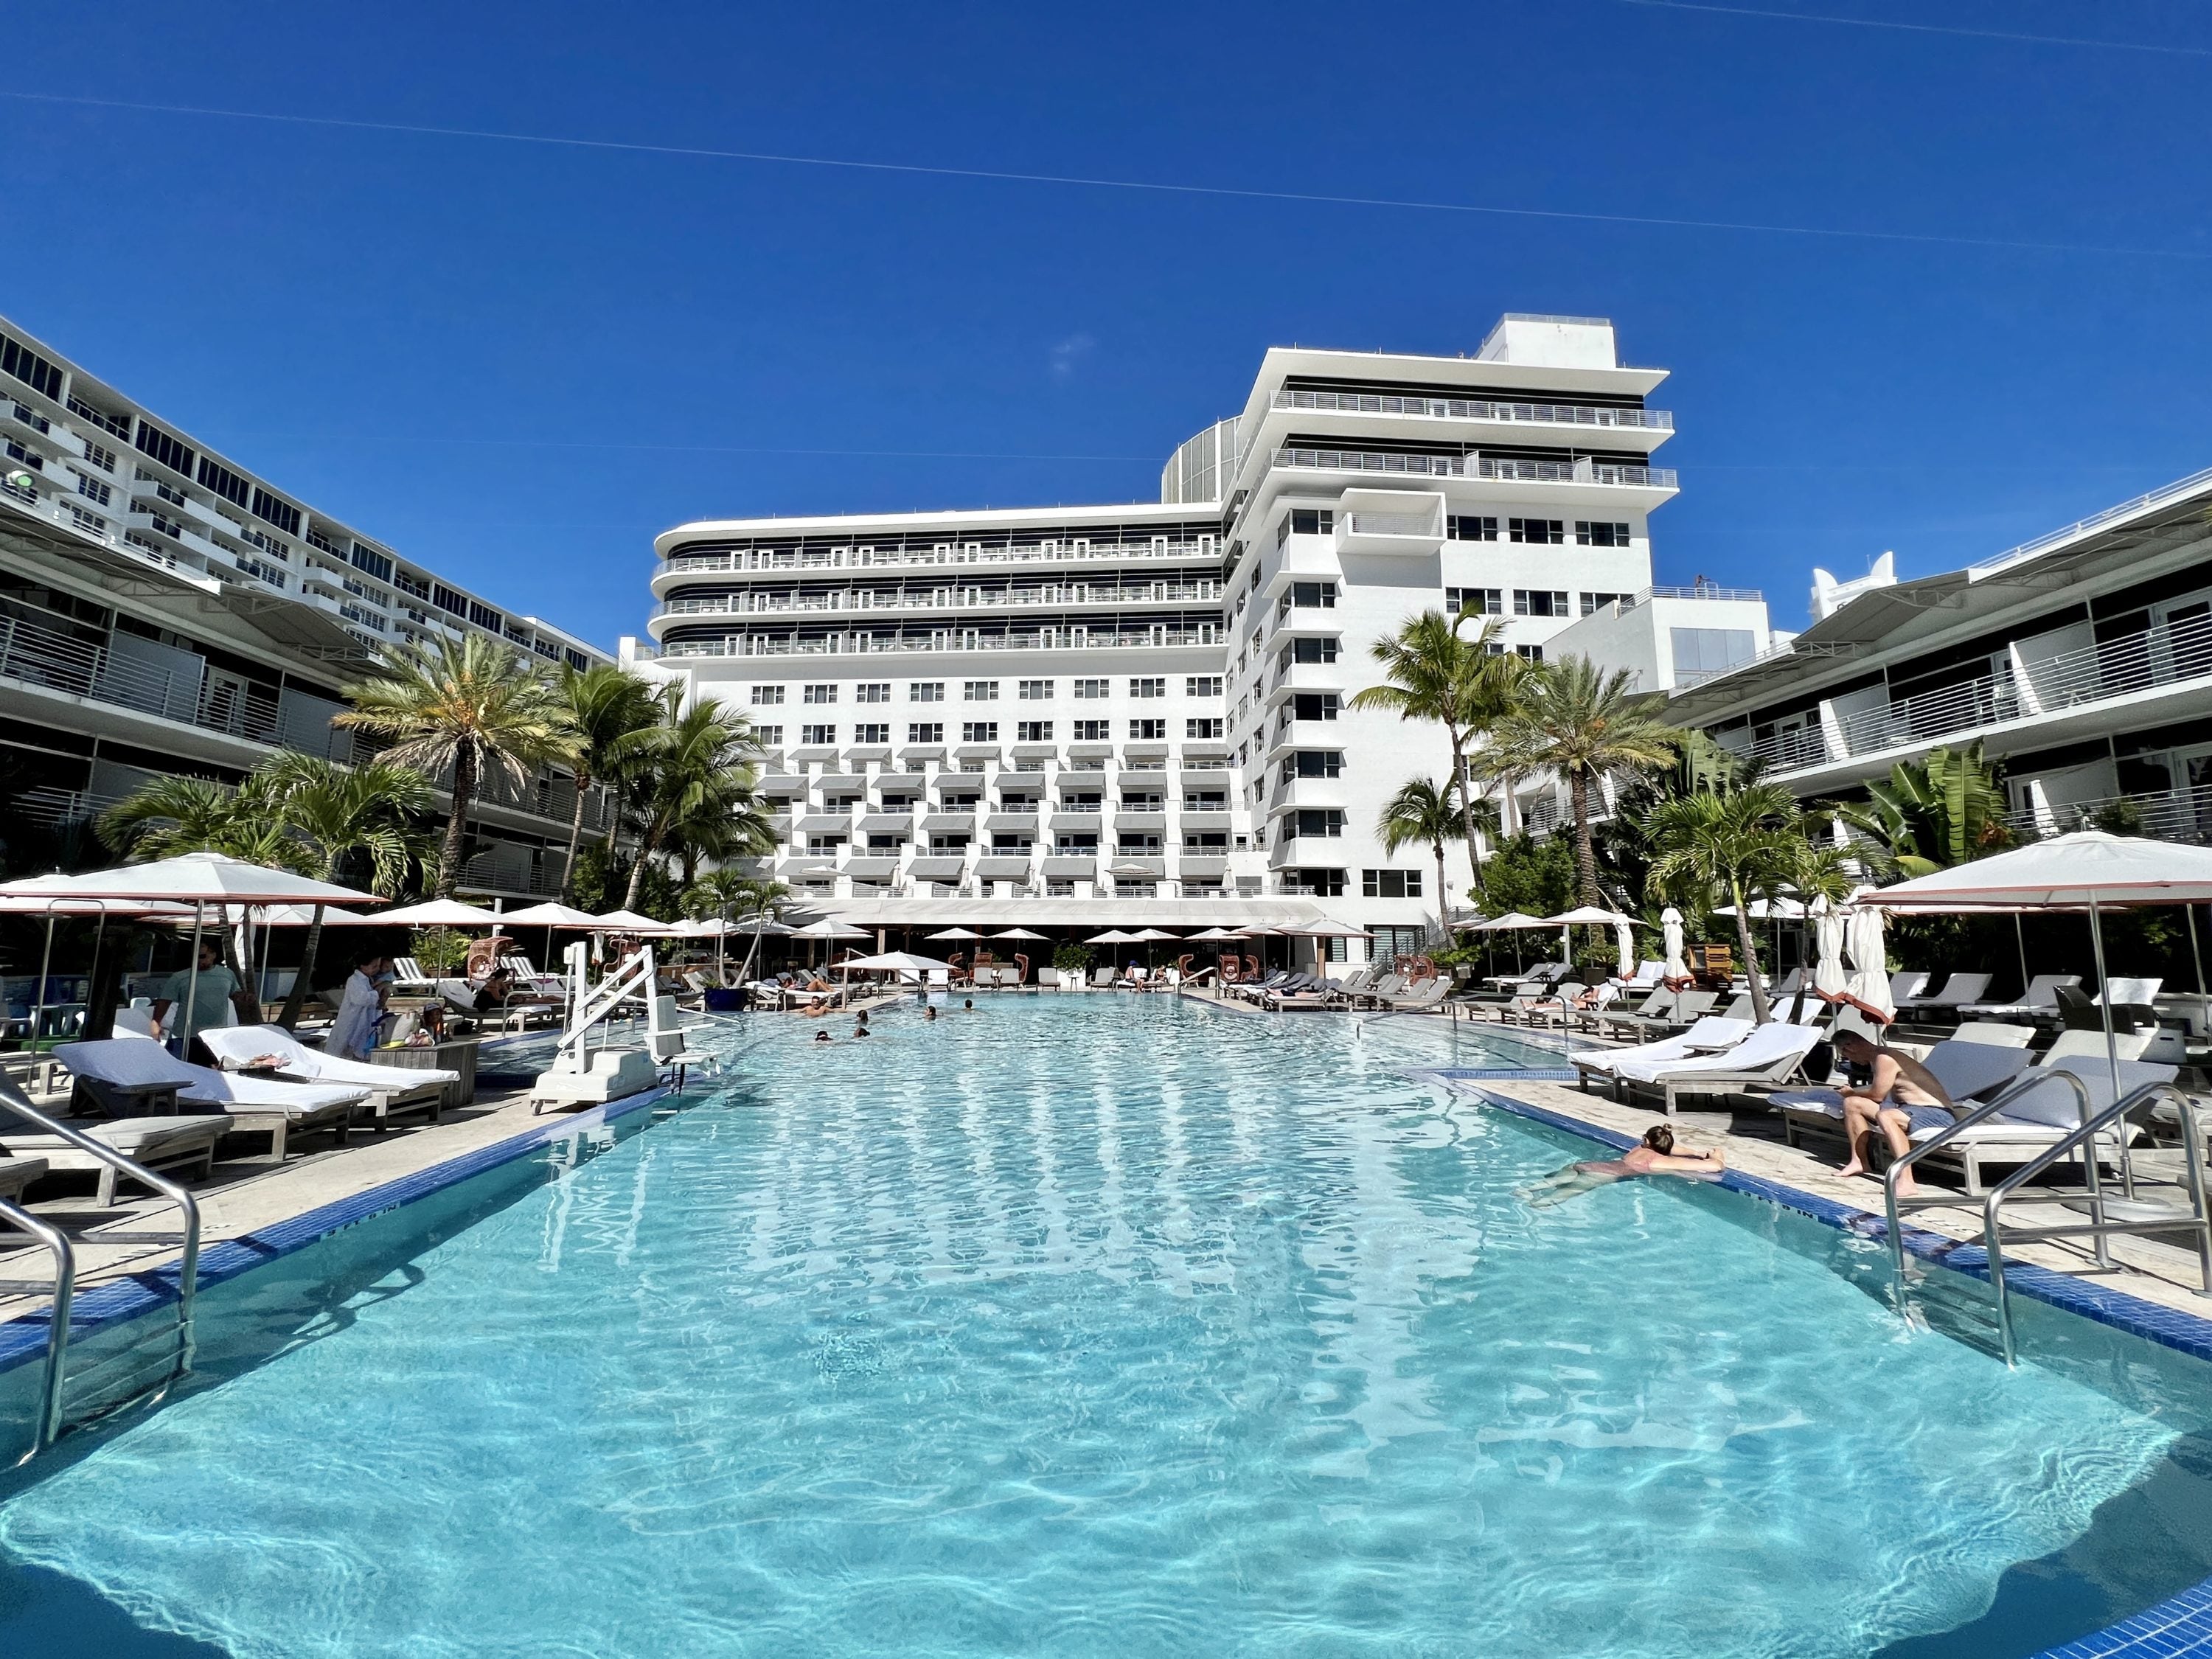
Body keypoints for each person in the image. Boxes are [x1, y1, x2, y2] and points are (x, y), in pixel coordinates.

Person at [1831, 1029, 1955, 1197]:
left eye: (1846, 1056)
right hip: (1908, 1110)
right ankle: (1859, 1161)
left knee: (1884, 1115)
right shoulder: (1876, 1059)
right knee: (1853, 1104)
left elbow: (1878, 1095)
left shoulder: (1886, 1058)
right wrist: (1852, 1096)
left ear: (1849, 1048)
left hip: (1935, 1113)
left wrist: (1851, 1092)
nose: (1851, 1061)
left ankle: (1906, 1181)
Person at [1520, 1124, 1727, 1208]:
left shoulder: (1638, 1149)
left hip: (1587, 1165)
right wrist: (1716, 1156)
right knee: (1566, 1194)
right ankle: (1537, 1204)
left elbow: (1670, 1146)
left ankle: (1529, 1190)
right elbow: (1715, 1167)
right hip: (1602, 1174)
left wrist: (1697, 1152)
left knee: (1558, 1181)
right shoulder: (1658, 1160)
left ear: (1647, 1141)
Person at [152, 939, 259, 1062]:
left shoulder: (227, 974)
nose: (199, 960)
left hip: (215, 1035)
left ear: (213, 955)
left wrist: (245, 998)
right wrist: (156, 1023)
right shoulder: (180, 977)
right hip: (185, 1035)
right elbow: (164, 1001)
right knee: (177, 1069)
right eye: (195, 957)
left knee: (213, 1072)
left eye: (202, 956)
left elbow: (235, 994)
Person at [328, 949, 392, 1061]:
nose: (377, 969)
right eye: (374, 966)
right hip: (352, 1019)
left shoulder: (369, 980)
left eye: (378, 966)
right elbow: (362, 999)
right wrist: (377, 991)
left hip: (364, 1021)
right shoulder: (354, 980)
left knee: (360, 1044)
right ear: (363, 966)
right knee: (343, 1045)